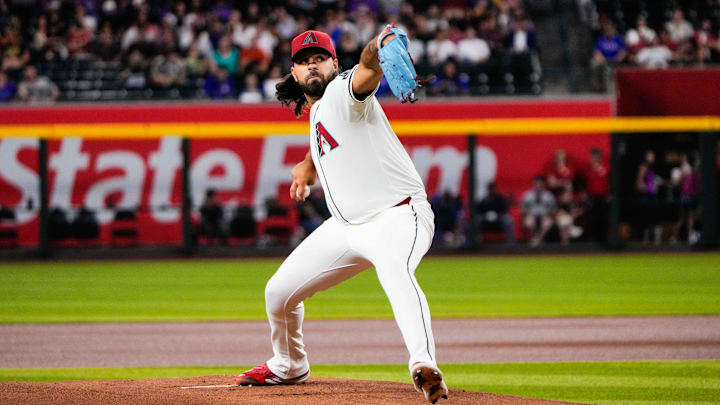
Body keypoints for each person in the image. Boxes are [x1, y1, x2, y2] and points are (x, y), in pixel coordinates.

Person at [235, 29, 449, 403]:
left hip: (397, 216)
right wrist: (307, 164)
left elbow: (367, 68)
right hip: (346, 228)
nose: (311, 65)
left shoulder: (345, 89)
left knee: (395, 271)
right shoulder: (319, 110)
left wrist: (379, 45)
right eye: (303, 61)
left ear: (335, 63)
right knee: (279, 293)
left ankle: (423, 364)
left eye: (318, 58)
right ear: (294, 72)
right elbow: (330, 140)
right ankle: (289, 365)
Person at [521, 176, 556, 246]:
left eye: (540, 185)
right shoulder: (528, 195)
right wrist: (528, 214)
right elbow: (523, 209)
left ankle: (537, 240)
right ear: (533, 185)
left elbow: (553, 209)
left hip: (545, 215)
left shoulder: (548, 196)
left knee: (547, 223)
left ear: (543, 185)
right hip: (532, 215)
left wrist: (547, 214)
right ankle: (538, 240)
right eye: (536, 184)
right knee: (529, 222)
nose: (538, 186)